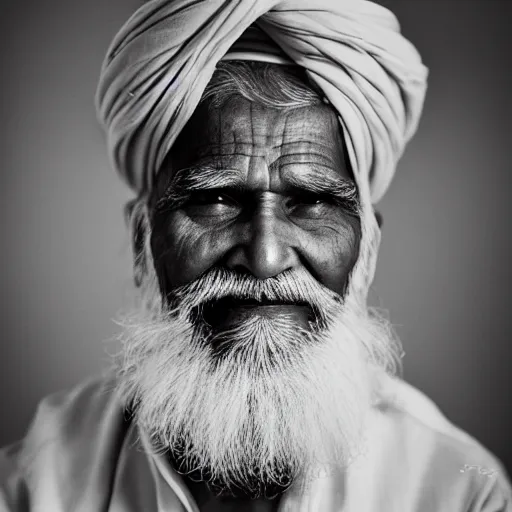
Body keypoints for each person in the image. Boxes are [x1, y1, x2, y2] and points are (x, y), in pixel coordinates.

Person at [0, 0, 510, 510]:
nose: (265, 257)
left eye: (311, 202)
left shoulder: (458, 490)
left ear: (367, 252)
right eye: (216, 200)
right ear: (142, 240)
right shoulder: (34, 487)